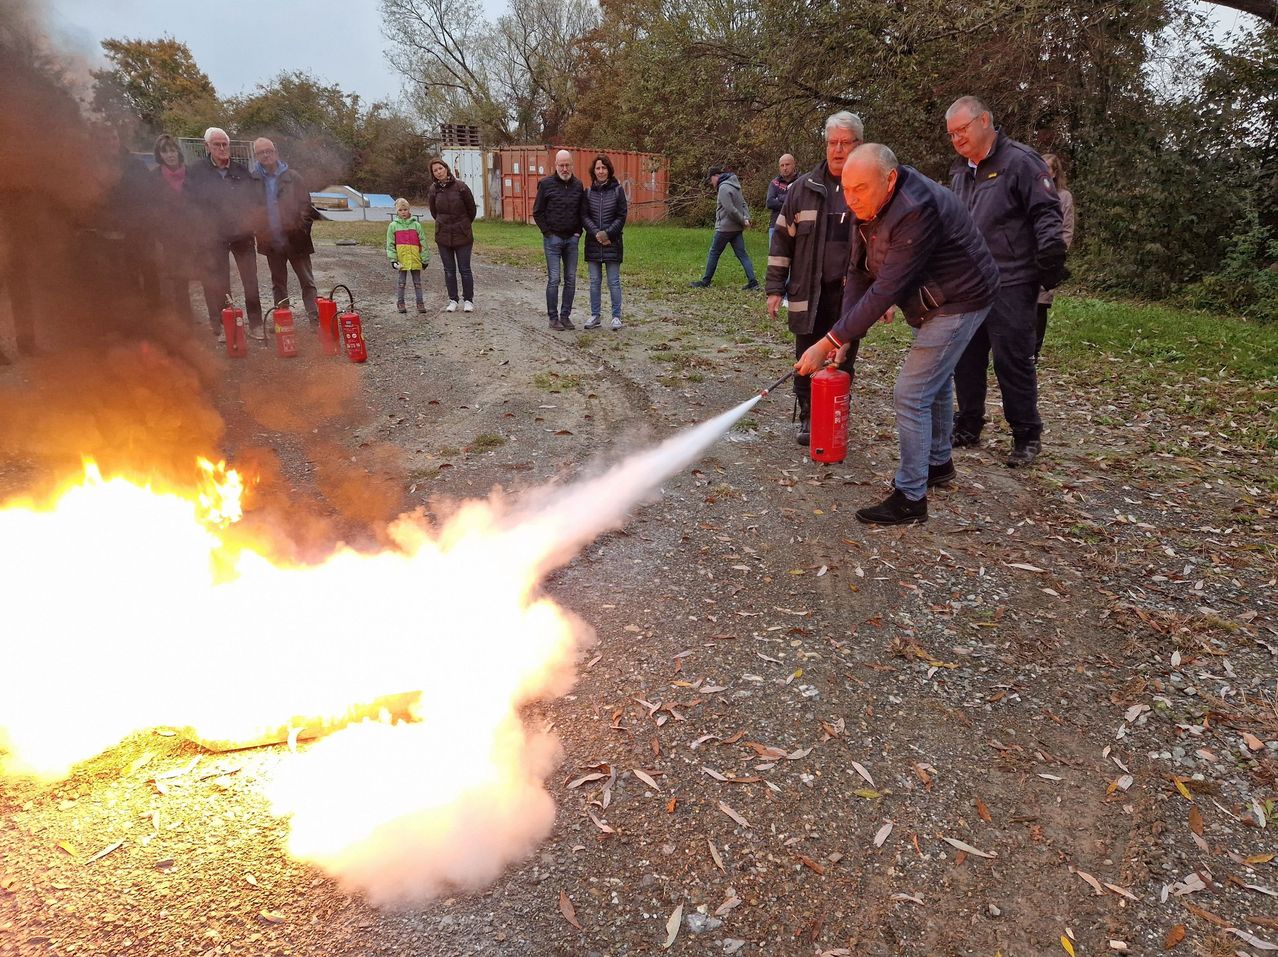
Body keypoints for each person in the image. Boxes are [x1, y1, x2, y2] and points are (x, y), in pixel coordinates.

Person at [795, 144, 998, 527]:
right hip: (934, 298)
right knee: (933, 384)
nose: (851, 199)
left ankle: (910, 497)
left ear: (888, 180)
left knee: (911, 392)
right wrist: (846, 332)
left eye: (860, 189)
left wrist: (830, 340)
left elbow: (886, 289)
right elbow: (859, 272)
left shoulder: (914, 209)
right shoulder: (868, 206)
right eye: (846, 188)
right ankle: (937, 462)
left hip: (962, 297)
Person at [945, 96, 1067, 467]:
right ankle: (968, 423)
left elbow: (1047, 212)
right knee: (964, 357)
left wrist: (1050, 254)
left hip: (1011, 280)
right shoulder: (960, 172)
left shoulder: (1020, 161)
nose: (957, 139)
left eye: (962, 130)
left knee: (1012, 359)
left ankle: (1026, 433)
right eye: (951, 134)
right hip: (968, 282)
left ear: (985, 121)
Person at [767, 111, 864, 444]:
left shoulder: (867, 185)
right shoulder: (802, 188)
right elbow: (781, 239)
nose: (837, 150)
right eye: (832, 142)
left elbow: (882, 246)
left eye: (845, 143)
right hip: (808, 291)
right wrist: (774, 288)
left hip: (849, 295)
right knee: (807, 355)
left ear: (859, 145)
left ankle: (835, 414)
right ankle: (808, 415)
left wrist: (884, 297)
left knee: (842, 358)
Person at [185, 127, 264, 341]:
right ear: (207, 147)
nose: (222, 148)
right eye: (217, 145)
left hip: (242, 235)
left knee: (250, 281)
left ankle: (256, 324)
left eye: (224, 144)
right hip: (213, 236)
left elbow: (254, 200)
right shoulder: (195, 172)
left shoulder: (240, 171)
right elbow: (189, 204)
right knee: (218, 281)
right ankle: (222, 325)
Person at [252, 137, 318, 324]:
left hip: (296, 239)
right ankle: (283, 318)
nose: (266, 155)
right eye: (261, 152)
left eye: (269, 151)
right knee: (278, 283)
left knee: (307, 281)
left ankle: (314, 317)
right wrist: (259, 231)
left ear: (275, 152)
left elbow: (306, 206)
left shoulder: (293, 177)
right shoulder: (254, 179)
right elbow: (250, 207)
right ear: (256, 156)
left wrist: (302, 228)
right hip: (271, 241)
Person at [533, 149, 586, 330]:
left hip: (572, 240)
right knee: (554, 279)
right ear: (555, 166)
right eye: (561, 165)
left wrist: (578, 232)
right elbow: (537, 212)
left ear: (572, 165)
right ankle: (553, 317)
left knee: (570, 279)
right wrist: (547, 233)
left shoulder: (578, 185)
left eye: (567, 165)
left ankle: (565, 316)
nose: (564, 168)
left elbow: (582, 212)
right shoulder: (546, 184)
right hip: (553, 240)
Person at [150, 134, 197, 323]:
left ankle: (215, 319)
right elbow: (152, 207)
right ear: (159, 155)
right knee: (178, 280)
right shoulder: (154, 177)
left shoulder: (191, 174)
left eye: (172, 150)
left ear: (178, 151)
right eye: (165, 151)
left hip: (194, 234)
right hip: (170, 238)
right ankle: (185, 320)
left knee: (206, 276)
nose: (170, 155)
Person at [690, 166, 758, 290]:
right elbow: (743, 204)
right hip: (736, 228)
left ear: (716, 176)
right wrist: (746, 218)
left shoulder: (723, 187)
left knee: (714, 252)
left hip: (725, 228)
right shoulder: (735, 185)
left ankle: (705, 281)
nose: (711, 183)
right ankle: (753, 282)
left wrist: (743, 221)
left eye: (711, 180)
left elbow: (730, 210)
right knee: (742, 254)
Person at [582, 154, 628, 331]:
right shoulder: (588, 192)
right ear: (593, 171)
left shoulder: (618, 191)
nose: (601, 171)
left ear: (609, 170)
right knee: (594, 281)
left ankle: (616, 317)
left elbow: (621, 215)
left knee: (613, 281)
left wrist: (607, 234)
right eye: (598, 168)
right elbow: (584, 216)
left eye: (604, 168)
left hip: (613, 243)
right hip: (593, 244)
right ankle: (595, 315)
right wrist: (596, 233)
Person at [1035, 153, 1074, 359]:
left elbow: (1067, 229)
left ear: (1055, 172)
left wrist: (1057, 254)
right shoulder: (1030, 191)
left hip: (1048, 255)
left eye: (1048, 168)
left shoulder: (1064, 197)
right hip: (1027, 255)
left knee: (1040, 304)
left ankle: (1035, 349)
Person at [426, 157, 477, 313]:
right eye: (435, 170)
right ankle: (453, 300)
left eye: (440, 168)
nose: (439, 172)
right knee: (449, 270)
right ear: (433, 174)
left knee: (465, 269)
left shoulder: (461, 187)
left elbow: (471, 210)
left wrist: (463, 224)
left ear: (446, 168)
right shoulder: (433, 190)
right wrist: (443, 224)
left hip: (462, 234)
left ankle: (468, 300)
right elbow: (434, 211)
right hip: (443, 235)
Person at [386, 198, 430, 314]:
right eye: (400, 210)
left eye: (405, 209)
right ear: (397, 211)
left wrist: (425, 259)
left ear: (409, 210)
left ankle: (420, 303)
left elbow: (423, 243)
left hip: (415, 259)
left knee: (417, 283)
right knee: (401, 283)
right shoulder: (393, 226)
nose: (403, 212)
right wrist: (393, 260)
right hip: (402, 260)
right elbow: (390, 244)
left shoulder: (416, 225)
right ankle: (400, 302)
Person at [766, 153, 797, 249]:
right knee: (775, 259)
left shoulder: (801, 181)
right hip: (776, 225)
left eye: (787, 164)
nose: (785, 168)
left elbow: (800, 202)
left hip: (796, 226)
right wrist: (789, 200)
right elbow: (770, 202)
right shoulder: (774, 183)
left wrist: (779, 197)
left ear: (794, 165)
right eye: (782, 165)